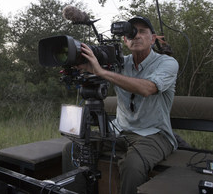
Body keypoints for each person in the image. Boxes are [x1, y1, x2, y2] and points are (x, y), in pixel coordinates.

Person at [62, 16, 179, 194]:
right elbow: (96, 67)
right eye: (131, 33)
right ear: (125, 40)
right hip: (119, 130)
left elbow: (148, 88)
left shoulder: (167, 63)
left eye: (142, 32)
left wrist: (101, 71)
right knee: (72, 148)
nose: (136, 36)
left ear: (153, 38)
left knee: (132, 165)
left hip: (154, 133)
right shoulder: (120, 62)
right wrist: (80, 63)